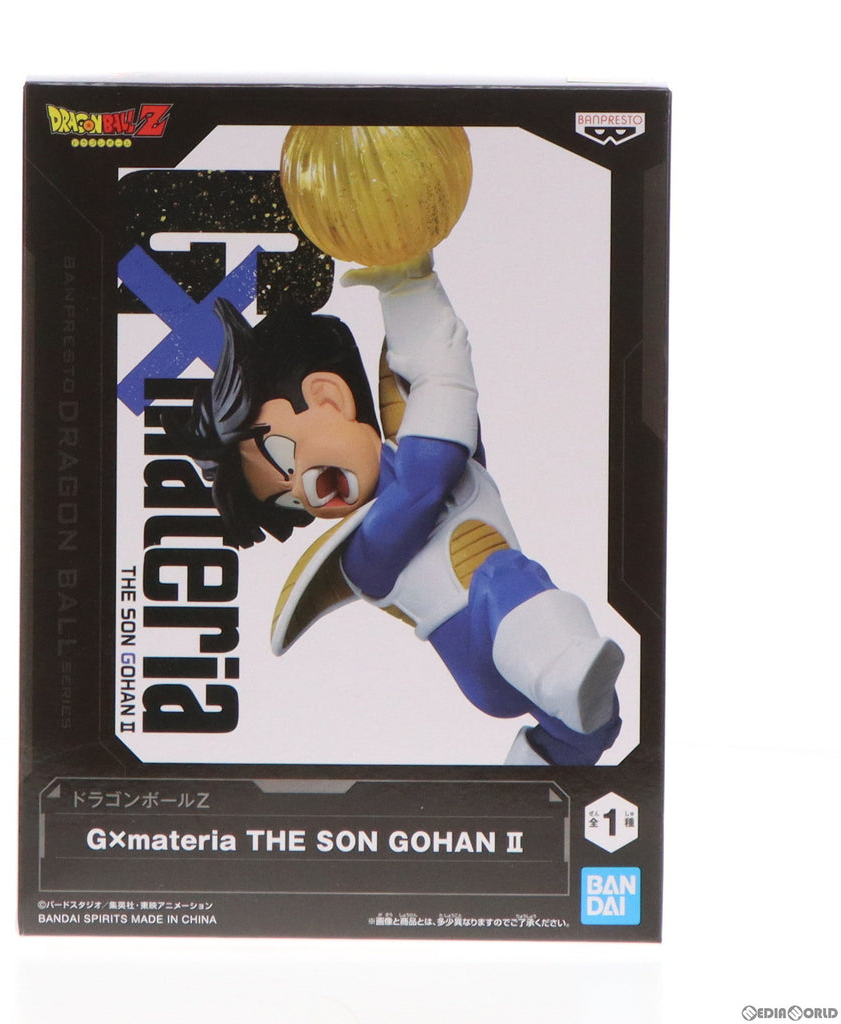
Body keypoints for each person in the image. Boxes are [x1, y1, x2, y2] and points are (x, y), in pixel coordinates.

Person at [166, 253, 623, 765]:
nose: (302, 490)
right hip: (495, 646)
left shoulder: (420, 446)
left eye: (284, 455)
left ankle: (532, 777)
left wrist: (409, 285)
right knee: (506, 576)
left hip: (536, 642)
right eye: (287, 498)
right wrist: (407, 292)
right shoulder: (365, 552)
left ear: (328, 397)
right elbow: (430, 467)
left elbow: (437, 372)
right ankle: (565, 671)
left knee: (591, 727)